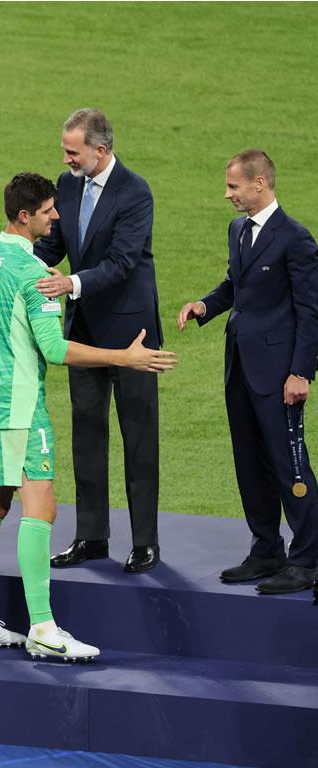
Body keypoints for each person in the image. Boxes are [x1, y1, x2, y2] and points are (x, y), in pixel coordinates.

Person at [0, 173, 176, 661]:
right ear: (25, 216)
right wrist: (125, 358)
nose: (56, 216)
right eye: (48, 211)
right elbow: (56, 350)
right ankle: (42, 628)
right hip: (20, 407)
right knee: (41, 510)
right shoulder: (34, 275)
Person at [178, 149, 318, 595]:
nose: (227, 194)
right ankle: (266, 549)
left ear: (260, 183)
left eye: (233, 186)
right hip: (239, 367)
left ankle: (307, 559)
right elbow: (235, 286)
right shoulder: (238, 229)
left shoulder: (295, 238)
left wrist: (301, 373)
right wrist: (205, 306)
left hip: (279, 376)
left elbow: (311, 311)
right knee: (249, 463)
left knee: (288, 463)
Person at [34, 109, 163, 574]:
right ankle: (91, 537)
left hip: (133, 337)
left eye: (73, 152)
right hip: (85, 333)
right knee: (86, 436)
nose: (65, 159)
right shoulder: (67, 185)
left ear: (100, 150)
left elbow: (123, 262)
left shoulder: (135, 192)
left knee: (139, 440)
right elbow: (52, 247)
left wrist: (71, 284)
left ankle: (145, 542)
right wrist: (20, 259)